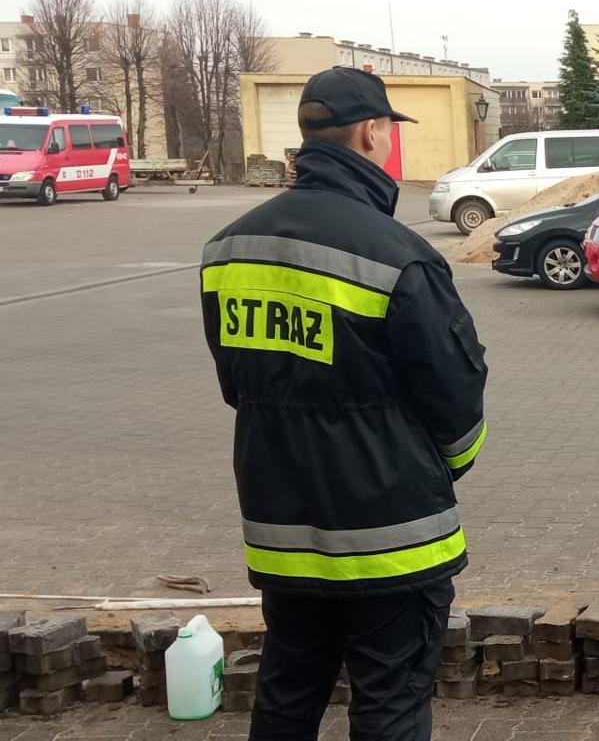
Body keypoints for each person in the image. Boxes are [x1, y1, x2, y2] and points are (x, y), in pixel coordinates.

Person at [200, 66, 489, 739]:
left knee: (289, 688)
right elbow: (456, 396)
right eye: (389, 129)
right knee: (390, 698)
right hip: (391, 535)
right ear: (369, 133)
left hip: (281, 526)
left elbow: (235, 385)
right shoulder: (398, 255)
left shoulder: (228, 248)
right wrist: (444, 463)